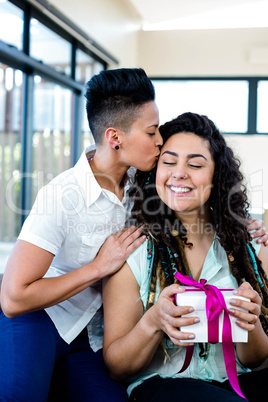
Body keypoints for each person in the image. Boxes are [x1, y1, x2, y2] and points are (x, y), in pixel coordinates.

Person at [0, 68, 163, 402]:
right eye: (152, 131)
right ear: (114, 137)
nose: (160, 140)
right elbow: (13, 299)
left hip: (92, 333)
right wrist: (99, 267)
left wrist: (241, 227)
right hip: (41, 317)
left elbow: (195, 198)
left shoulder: (145, 183)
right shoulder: (61, 195)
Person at [102, 112, 268, 402]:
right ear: (155, 172)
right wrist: (153, 321)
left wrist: (250, 322)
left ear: (217, 176)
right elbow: (117, 368)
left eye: (195, 164)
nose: (179, 172)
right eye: (169, 161)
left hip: (236, 382)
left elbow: (255, 360)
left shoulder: (247, 248)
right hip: (165, 385)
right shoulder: (135, 249)